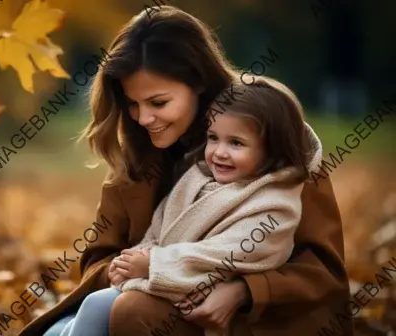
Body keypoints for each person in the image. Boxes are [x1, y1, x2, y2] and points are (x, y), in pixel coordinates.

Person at [19, 5, 352, 336]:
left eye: (158, 103)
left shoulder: (274, 140)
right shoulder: (136, 156)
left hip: (259, 321)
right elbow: (99, 258)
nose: (143, 118)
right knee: (71, 326)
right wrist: (137, 270)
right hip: (153, 299)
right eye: (133, 104)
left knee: (130, 311)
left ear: (198, 83)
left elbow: (323, 272)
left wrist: (243, 292)